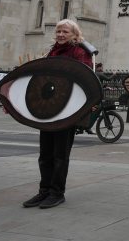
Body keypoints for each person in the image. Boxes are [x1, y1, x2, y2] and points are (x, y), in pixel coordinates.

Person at [22, 19, 93, 209]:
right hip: (49, 108)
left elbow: (83, 78)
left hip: (67, 110)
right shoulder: (52, 51)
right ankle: (44, 190)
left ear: (75, 34)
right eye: (58, 31)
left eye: (65, 32)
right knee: (45, 154)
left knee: (60, 155)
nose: (60, 35)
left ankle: (56, 193)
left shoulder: (79, 52)